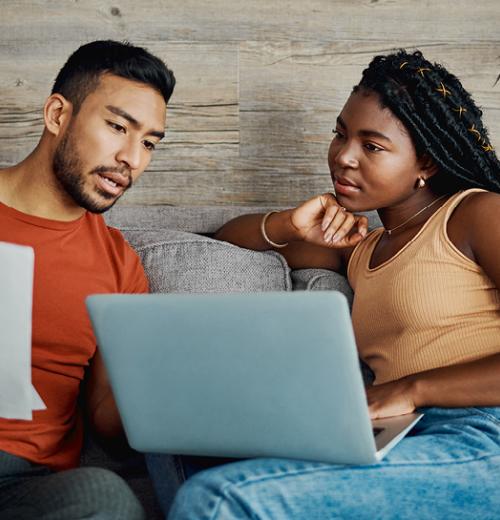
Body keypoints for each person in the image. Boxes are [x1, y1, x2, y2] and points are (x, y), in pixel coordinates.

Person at [160, 50, 500, 519]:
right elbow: (228, 242)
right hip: (399, 432)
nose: (343, 157)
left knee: (220, 499)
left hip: (483, 435)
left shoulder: (477, 214)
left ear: (426, 161)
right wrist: (290, 224)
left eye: (372, 146)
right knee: (180, 447)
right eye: (340, 133)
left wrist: (411, 389)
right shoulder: (361, 249)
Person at [0, 40, 175, 519]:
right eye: (118, 127)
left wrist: (178, 385)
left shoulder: (118, 265)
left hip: (23, 484)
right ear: (58, 115)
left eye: (148, 143)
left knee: (103, 496)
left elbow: (107, 417)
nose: (132, 159)